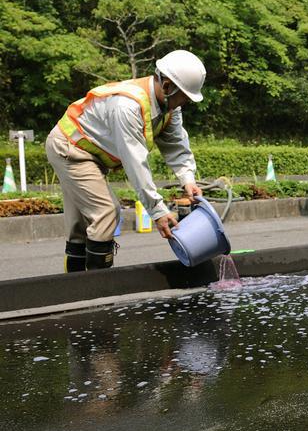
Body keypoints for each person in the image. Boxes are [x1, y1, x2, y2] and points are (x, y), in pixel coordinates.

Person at [45, 50, 206, 271]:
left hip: (91, 153)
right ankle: (96, 291)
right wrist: (157, 211)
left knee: (80, 229)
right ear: (167, 86)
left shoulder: (170, 106)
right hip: (70, 149)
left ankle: (74, 292)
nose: (184, 104)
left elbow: (176, 146)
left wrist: (188, 180)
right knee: (106, 212)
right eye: (184, 98)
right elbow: (135, 163)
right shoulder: (127, 106)